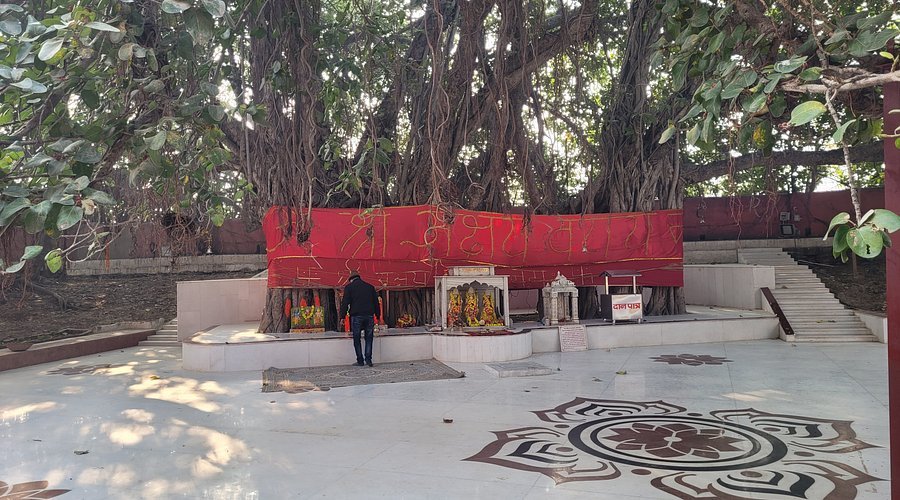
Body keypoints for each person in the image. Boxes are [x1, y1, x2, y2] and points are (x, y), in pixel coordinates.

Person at [338, 271, 380, 367]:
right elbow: (376, 303)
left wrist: (342, 316)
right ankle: (368, 360)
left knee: (357, 339)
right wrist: (377, 315)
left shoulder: (349, 288)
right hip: (369, 316)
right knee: (369, 338)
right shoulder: (370, 287)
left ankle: (360, 360)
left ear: (351, 279)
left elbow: (345, 303)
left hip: (356, 316)